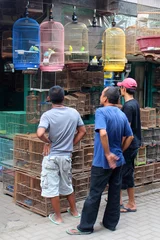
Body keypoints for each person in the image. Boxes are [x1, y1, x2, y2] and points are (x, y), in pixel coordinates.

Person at [66, 86, 134, 235]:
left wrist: (108, 153)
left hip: (103, 161)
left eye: (102, 94)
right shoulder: (121, 114)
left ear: (105, 99)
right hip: (119, 161)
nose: (100, 97)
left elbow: (103, 133)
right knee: (115, 193)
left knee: (94, 194)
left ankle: (85, 227)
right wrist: (119, 151)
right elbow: (130, 136)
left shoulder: (101, 112)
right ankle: (110, 223)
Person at [37, 85, 86, 225]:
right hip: (66, 156)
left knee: (52, 187)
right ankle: (75, 211)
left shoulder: (47, 115)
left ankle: (58, 217)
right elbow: (82, 131)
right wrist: (72, 144)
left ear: (48, 99)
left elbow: (40, 134)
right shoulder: (74, 113)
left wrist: (48, 142)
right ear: (64, 98)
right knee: (67, 184)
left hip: (51, 157)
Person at [117, 78, 141, 213]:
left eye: (121, 87)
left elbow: (127, 131)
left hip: (129, 145)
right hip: (134, 143)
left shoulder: (127, 107)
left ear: (124, 89)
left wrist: (121, 147)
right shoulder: (135, 103)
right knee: (127, 172)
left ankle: (130, 203)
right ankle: (121, 201)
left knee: (124, 173)